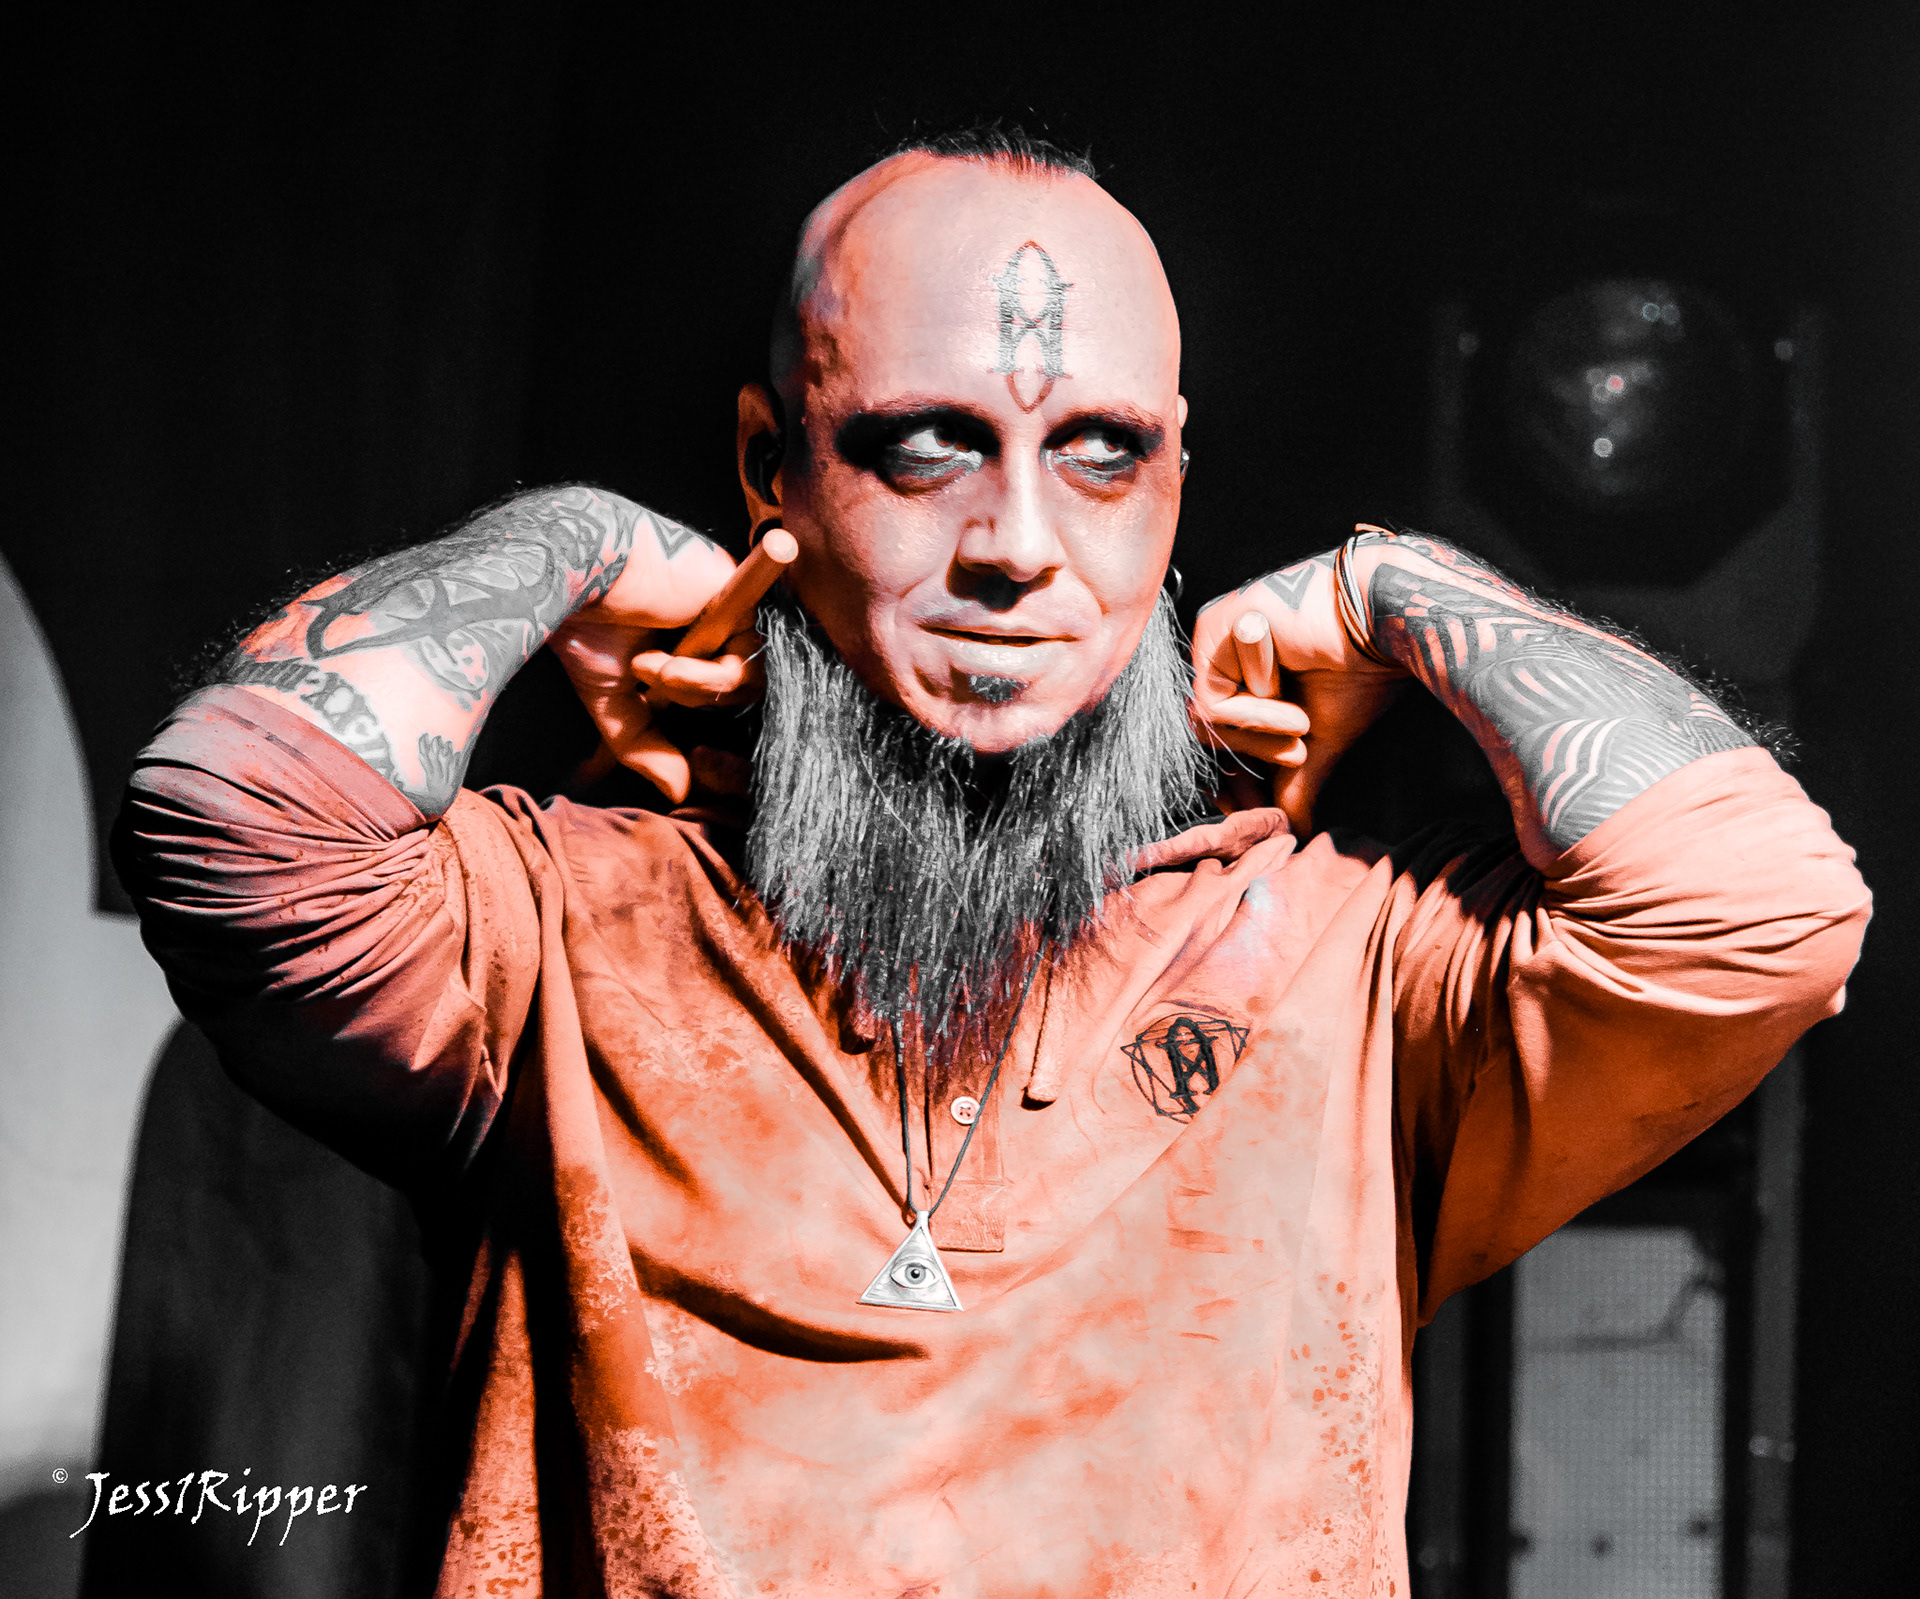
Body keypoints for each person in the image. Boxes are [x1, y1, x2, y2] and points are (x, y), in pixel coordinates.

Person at [113, 128, 1869, 1597]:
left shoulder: (1343, 973)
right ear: (772, 465)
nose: (1017, 544)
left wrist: (1403, 586)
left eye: (1101, 454)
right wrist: (560, 540)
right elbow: (234, 828)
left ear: (1177, 487)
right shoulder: (560, 931)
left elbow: (1765, 917)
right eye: (928, 442)